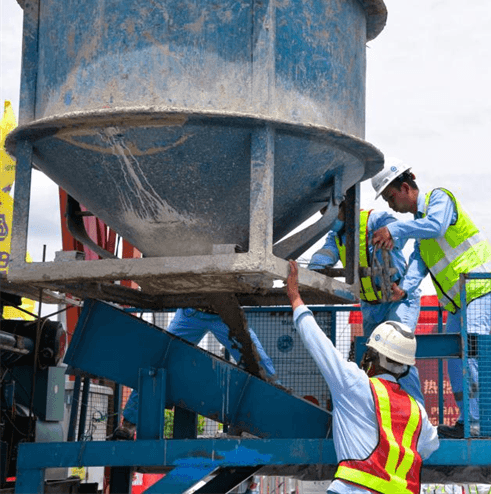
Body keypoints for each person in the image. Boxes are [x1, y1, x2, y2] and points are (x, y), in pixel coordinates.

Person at [370, 159, 491, 439]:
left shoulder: (438, 199)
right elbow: (419, 259)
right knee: (456, 359)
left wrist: (395, 230)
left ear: (405, 188)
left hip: (480, 286)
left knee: (472, 352)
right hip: (459, 299)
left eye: (391, 197)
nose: (390, 206)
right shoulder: (420, 225)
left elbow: (437, 227)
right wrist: (403, 289)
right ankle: (470, 422)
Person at [286, 260, 439, 494]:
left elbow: (318, 343)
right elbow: (430, 445)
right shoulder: (418, 412)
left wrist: (296, 299)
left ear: (372, 358)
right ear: (406, 367)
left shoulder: (356, 384)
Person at [308, 198, 425, 405]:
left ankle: (418, 411)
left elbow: (399, 230)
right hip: (371, 305)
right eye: (322, 213)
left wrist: (392, 234)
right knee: (375, 359)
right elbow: (325, 256)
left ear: (343, 205)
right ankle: (382, 410)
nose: (325, 217)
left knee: (398, 353)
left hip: (397, 299)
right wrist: (311, 270)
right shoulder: (335, 237)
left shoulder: (373, 220)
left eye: (327, 211)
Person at [112, 308, 277, 439]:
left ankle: (279, 409)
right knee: (159, 360)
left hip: (224, 312)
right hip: (192, 311)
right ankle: (129, 423)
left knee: (258, 362)